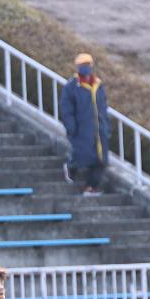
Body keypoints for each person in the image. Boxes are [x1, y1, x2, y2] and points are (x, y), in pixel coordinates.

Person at [56, 52, 113, 197]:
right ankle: (70, 168)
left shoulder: (98, 85)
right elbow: (66, 109)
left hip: (99, 130)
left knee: (101, 160)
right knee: (81, 155)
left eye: (87, 65)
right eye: (82, 65)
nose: (85, 68)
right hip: (81, 129)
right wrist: (71, 127)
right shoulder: (71, 87)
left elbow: (104, 107)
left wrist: (106, 127)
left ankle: (91, 187)